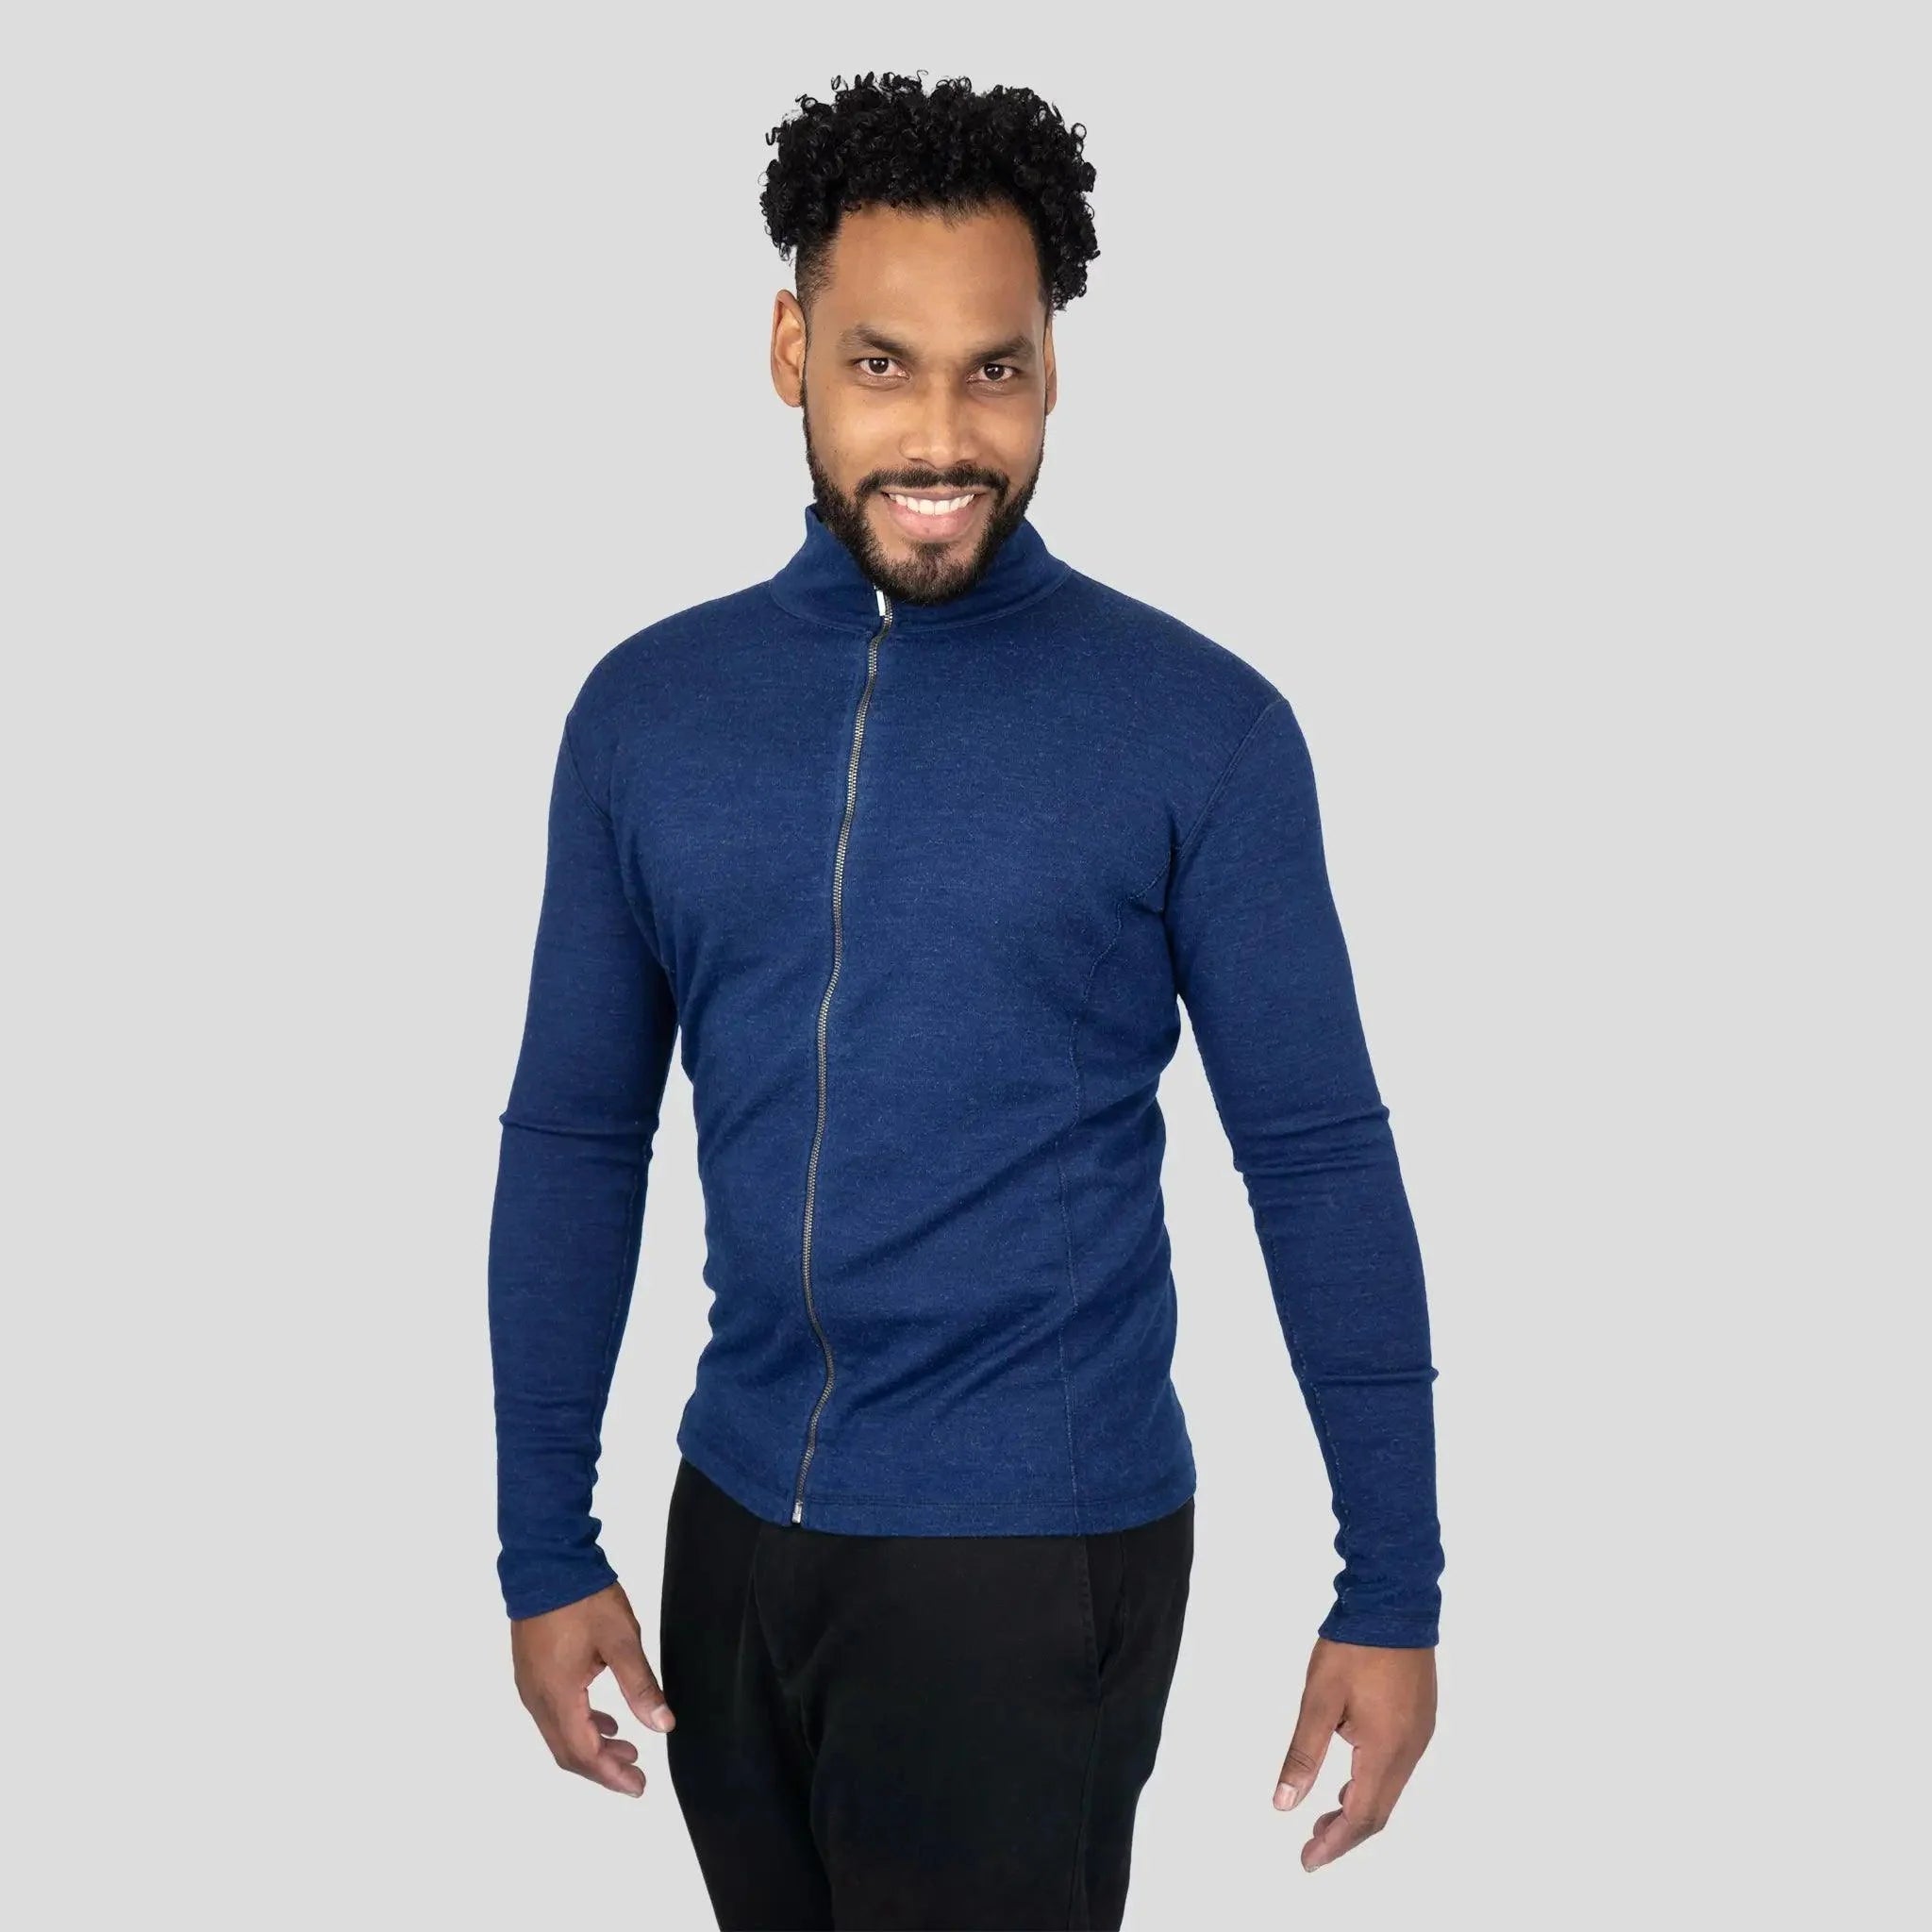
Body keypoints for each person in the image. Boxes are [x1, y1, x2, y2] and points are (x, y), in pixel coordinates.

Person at [489, 69, 1443, 1930]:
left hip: (1026, 1558)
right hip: (728, 1535)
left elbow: (1319, 1159)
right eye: (881, 365)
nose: (940, 434)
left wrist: (1390, 1584)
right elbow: (578, 1140)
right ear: (791, 352)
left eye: (992, 369)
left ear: (1051, 368)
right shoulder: (646, 717)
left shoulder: (1200, 731)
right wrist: (544, 1541)